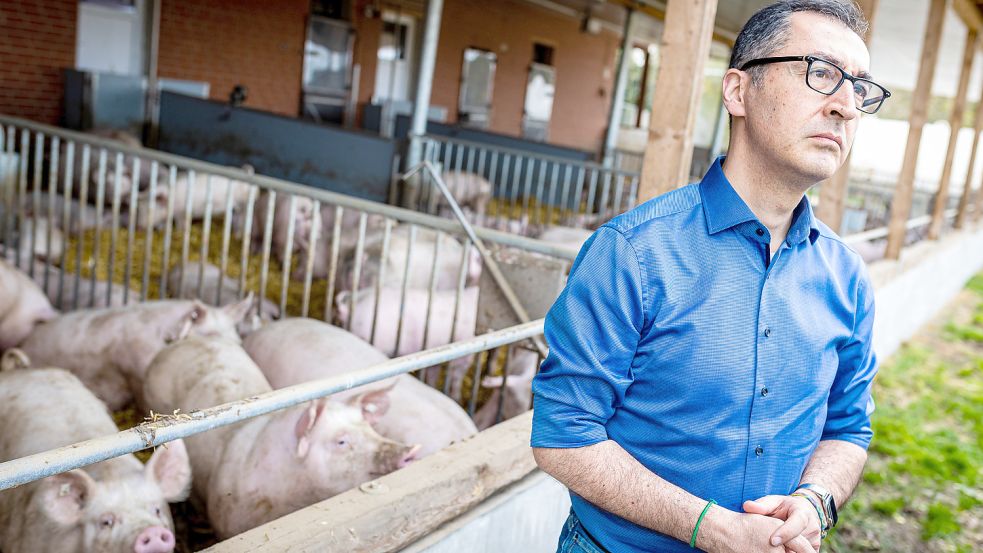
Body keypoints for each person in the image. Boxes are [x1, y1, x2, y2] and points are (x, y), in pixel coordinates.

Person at [530, 1, 887, 552]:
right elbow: (563, 437)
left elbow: (848, 429)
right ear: (738, 92)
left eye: (860, 88)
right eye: (821, 73)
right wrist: (713, 529)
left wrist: (815, 501)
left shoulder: (847, 276)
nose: (846, 106)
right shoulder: (631, 252)